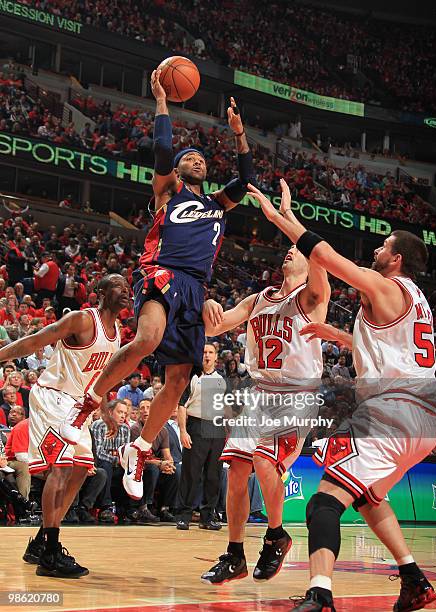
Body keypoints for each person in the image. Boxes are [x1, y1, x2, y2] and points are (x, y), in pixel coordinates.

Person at [59, 72, 256, 502]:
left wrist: (239, 134)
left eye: (202, 158)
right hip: (161, 271)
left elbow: (246, 180)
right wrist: (163, 102)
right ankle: (89, 402)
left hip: (196, 287)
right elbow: (164, 148)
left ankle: (141, 447)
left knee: (178, 380)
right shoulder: (169, 190)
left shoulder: (217, 203)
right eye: (191, 157)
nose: (197, 160)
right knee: (147, 339)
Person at [248, 180, 436, 612]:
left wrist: (281, 218)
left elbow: (325, 257)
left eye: (383, 246)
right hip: (424, 423)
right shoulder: (418, 300)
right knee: (371, 497)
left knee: (322, 503)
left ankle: (320, 595)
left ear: (397, 258)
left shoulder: (383, 285)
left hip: (389, 416)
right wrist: (339, 334)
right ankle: (414, 580)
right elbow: (395, 352)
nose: (376, 250)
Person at [200, 197, 330, 584]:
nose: (290, 251)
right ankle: (235, 553)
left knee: (261, 458)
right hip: (259, 393)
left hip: (295, 396)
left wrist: (288, 220)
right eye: (288, 249)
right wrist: (207, 303)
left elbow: (314, 250)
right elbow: (217, 326)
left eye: (297, 249)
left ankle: (276, 535)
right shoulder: (259, 299)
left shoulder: (311, 297)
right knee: (237, 471)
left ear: (310, 262)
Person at [0, 274, 128, 578]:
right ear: (100, 292)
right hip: (53, 396)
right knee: (61, 468)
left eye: (127, 287)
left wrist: (107, 410)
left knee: (83, 468)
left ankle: (42, 540)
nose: (126, 291)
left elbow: (102, 377)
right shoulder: (83, 320)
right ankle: (51, 554)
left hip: (80, 404)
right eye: (118, 286)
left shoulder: (117, 333)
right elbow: (34, 341)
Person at [177, 343, 227, 530]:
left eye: (210, 352)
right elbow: (182, 405)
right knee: (191, 473)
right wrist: (183, 430)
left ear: (216, 357)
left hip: (216, 427)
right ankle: (184, 515)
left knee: (214, 475)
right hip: (196, 425)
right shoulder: (192, 377)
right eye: (204, 352)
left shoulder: (222, 380)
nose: (207, 355)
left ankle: (208, 517)